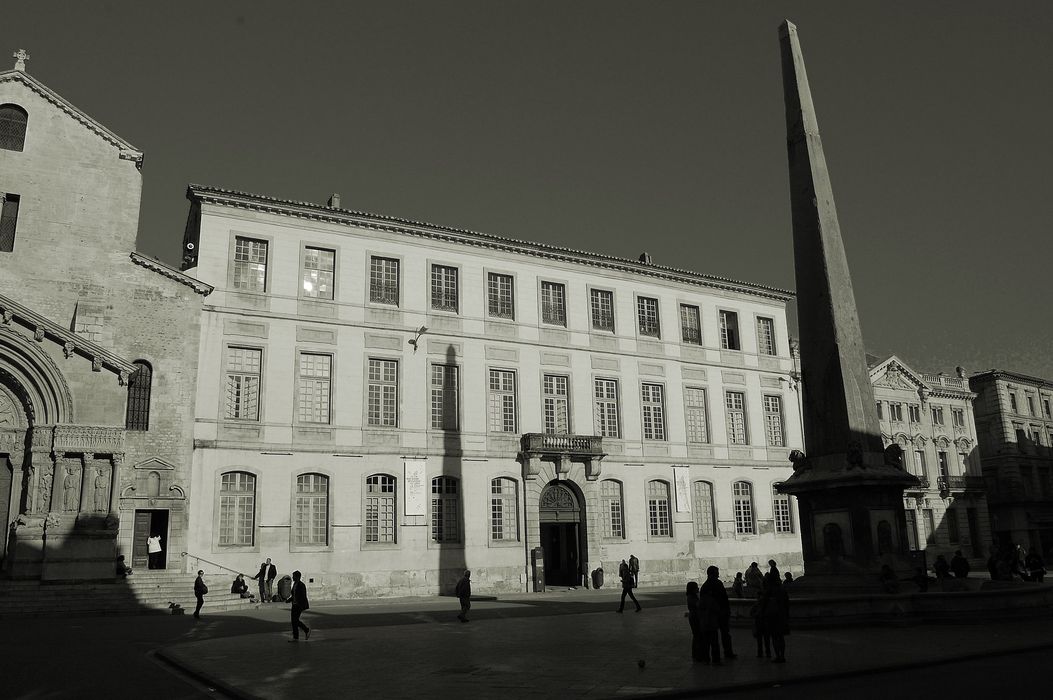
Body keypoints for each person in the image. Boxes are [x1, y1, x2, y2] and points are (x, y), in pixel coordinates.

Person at [700, 565, 736, 660]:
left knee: (714, 636)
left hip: (714, 614)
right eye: (717, 572)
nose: (718, 574)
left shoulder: (705, 586)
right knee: (720, 635)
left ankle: (710, 657)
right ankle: (724, 653)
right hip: (717, 614)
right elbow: (723, 599)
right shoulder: (717, 584)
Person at [759, 571, 789, 663]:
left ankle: (777, 656)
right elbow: (787, 603)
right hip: (781, 615)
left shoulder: (768, 591)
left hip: (771, 617)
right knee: (781, 637)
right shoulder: (782, 590)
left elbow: (763, 604)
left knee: (774, 637)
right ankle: (782, 656)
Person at [696, 576, 721, 664]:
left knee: (706, 643)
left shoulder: (701, 601)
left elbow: (699, 611)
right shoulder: (711, 600)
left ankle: (706, 659)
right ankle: (716, 659)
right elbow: (717, 609)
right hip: (712, 624)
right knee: (714, 643)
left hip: (704, 624)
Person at [289, 570, 311, 641]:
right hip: (294, 604)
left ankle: (306, 630)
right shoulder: (295, 584)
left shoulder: (301, 585)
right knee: (294, 621)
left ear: (297, 577)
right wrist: (290, 600)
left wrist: (299, 605)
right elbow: (294, 595)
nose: (292, 577)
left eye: (294, 576)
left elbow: (303, 596)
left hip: (298, 605)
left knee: (295, 620)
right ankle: (296, 636)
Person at [685, 581, 704, 662]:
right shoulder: (691, 597)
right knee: (697, 636)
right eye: (696, 587)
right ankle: (697, 654)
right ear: (693, 589)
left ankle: (696, 654)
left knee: (696, 636)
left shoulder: (692, 596)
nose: (698, 588)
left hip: (694, 617)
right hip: (694, 618)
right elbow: (698, 605)